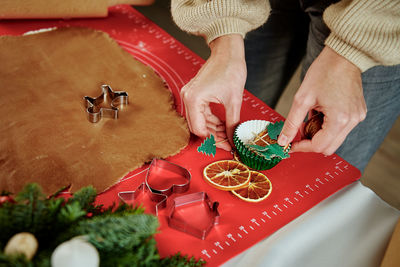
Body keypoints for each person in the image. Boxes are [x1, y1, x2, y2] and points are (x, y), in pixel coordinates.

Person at [171, 0, 400, 172]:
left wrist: (354, 51)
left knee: (323, 163)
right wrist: (223, 27)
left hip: (379, 14)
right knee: (239, 106)